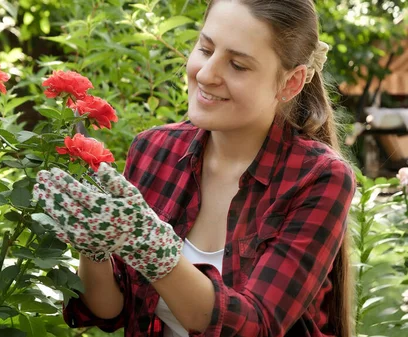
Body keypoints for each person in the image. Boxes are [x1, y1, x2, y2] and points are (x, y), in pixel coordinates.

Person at [33, 0, 357, 336]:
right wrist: (94, 245)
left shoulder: (319, 178)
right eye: (205, 48)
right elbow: (112, 310)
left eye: (238, 65)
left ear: (291, 82)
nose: (205, 74)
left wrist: (153, 250)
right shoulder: (154, 150)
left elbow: (257, 326)